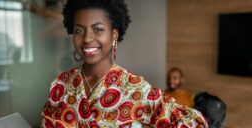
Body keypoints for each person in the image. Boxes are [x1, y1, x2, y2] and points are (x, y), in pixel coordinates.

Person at [41, 0, 208, 127]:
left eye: (97, 29)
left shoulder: (135, 89)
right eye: (79, 30)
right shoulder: (60, 85)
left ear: (114, 34)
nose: (86, 38)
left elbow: (192, 122)